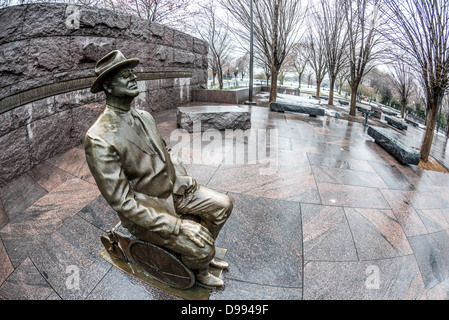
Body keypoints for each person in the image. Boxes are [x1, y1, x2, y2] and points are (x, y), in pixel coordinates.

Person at [85, 50, 232, 287]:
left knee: (223, 206)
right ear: (108, 86)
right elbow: (123, 203)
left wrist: (181, 177)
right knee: (202, 247)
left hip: (175, 191)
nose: (133, 77)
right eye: (125, 74)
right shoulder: (99, 138)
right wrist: (177, 225)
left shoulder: (144, 115)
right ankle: (201, 262)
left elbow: (168, 153)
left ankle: (199, 258)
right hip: (148, 208)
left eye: (132, 72)